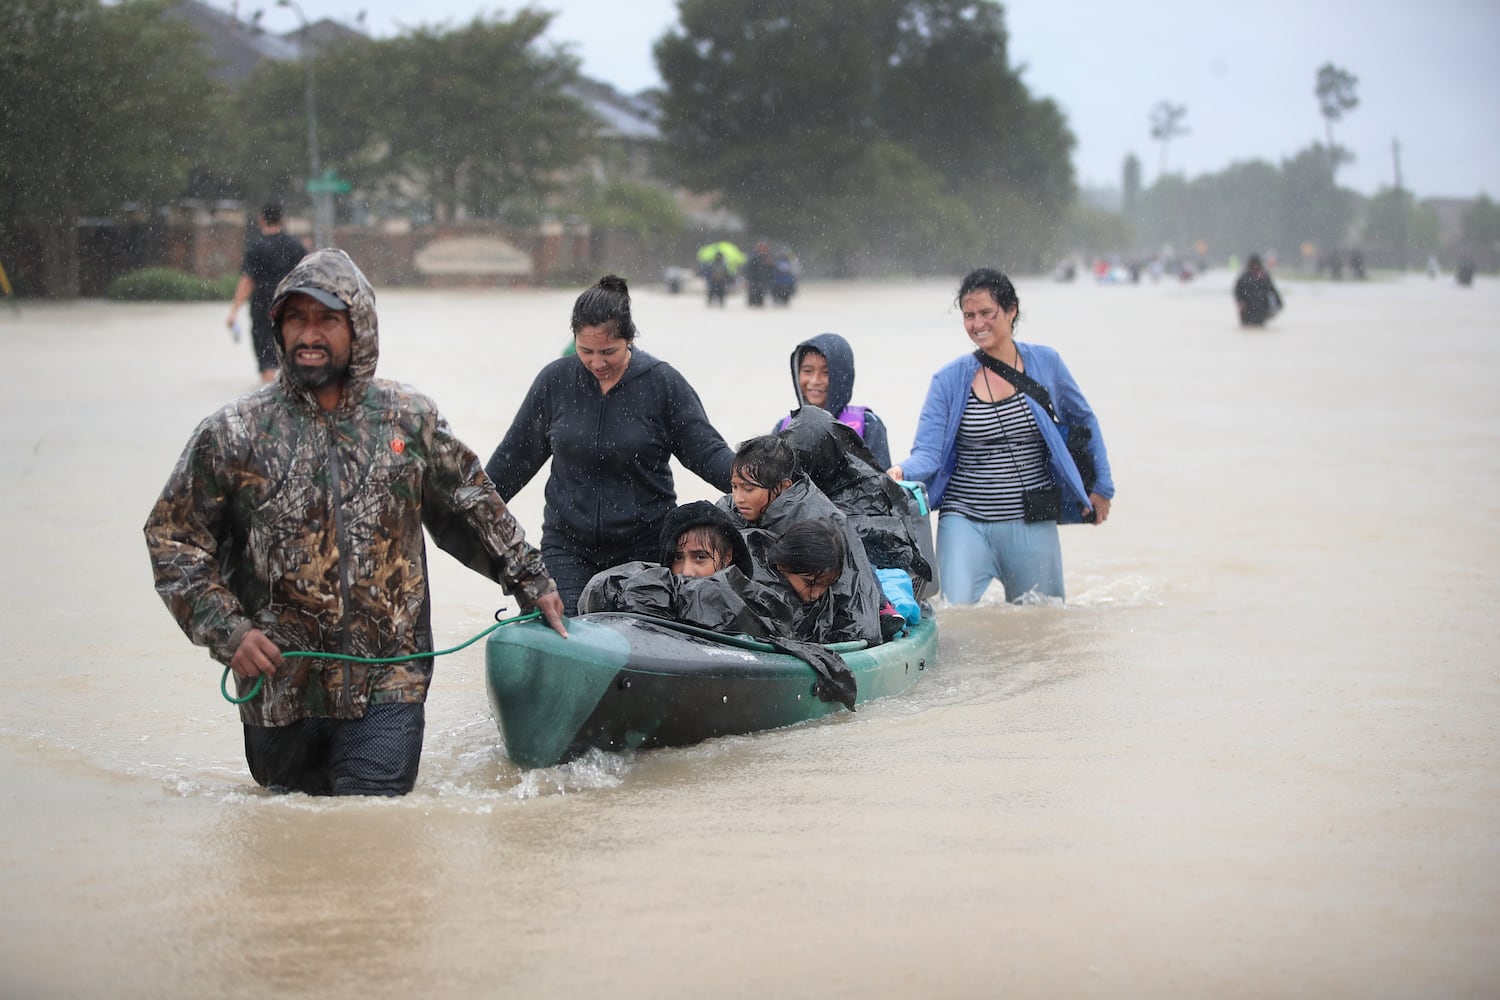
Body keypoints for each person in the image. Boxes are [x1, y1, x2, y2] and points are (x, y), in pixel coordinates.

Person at [145, 249, 567, 797]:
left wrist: (531, 582)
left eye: (326, 319)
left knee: (373, 825)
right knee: (291, 842)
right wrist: (229, 631)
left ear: (360, 328)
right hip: (278, 687)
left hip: (388, 682)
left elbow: (471, 505)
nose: (309, 334)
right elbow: (174, 538)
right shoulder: (234, 433)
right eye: (295, 319)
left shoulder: (408, 419)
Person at [486, 274, 735, 614]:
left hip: (643, 549)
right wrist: (464, 512)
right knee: (569, 635)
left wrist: (756, 483)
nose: (597, 362)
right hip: (567, 546)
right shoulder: (555, 382)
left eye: (608, 352)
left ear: (629, 340)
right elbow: (512, 460)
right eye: (585, 351)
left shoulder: (662, 383)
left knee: (636, 641)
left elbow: (707, 453)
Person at [889, 268, 1113, 605]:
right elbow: (928, 453)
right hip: (964, 519)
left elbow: (1085, 422)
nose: (977, 324)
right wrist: (902, 471)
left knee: (1044, 621)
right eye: (968, 315)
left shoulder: (1046, 363)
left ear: (1011, 311)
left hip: (1032, 517)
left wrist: (1102, 488)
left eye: (986, 313)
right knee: (953, 616)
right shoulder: (948, 380)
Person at [718, 435, 884, 644]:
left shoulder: (822, 522)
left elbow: (852, 590)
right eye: (735, 487)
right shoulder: (728, 510)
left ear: (784, 486)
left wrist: (858, 638)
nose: (739, 497)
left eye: (749, 489)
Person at [773, 332, 893, 470]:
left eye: (826, 373)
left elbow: (882, 484)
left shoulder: (868, 424)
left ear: (842, 377)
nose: (815, 380)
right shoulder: (784, 427)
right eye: (807, 371)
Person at [226, 203, 308, 383]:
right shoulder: (295, 245)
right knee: (292, 355)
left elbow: (247, 281)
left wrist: (233, 312)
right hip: (291, 307)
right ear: (283, 219)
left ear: (261, 220)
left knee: (267, 362)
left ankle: (270, 400)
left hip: (263, 308)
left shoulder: (255, 247)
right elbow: (309, 275)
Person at [1233, 254, 1284, 327]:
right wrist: (1240, 302)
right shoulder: (1244, 277)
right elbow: (1237, 291)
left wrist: (1279, 302)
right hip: (1248, 309)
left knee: (1258, 326)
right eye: (1253, 266)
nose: (1255, 269)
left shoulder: (1264, 276)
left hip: (1261, 309)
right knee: (1248, 327)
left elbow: (1272, 289)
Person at [744, 240, 775, 307]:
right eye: (761, 247)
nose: (763, 249)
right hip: (754, 281)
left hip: (762, 282)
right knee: (752, 301)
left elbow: (771, 270)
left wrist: (770, 266)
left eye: (764, 247)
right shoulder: (753, 257)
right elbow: (748, 269)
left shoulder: (768, 257)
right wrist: (747, 279)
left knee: (760, 301)